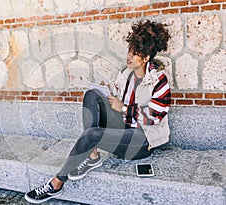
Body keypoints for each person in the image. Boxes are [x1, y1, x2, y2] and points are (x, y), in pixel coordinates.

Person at [24, 20, 171, 204]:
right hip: (125, 128)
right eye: (130, 50)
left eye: (136, 53)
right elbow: (117, 104)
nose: (129, 56)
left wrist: (123, 108)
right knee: (92, 95)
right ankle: (92, 155)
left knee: (93, 134)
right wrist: (108, 100)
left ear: (146, 57)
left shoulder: (159, 81)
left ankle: (56, 183)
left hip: (141, 142)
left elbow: (155, 117)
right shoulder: (125, 74)